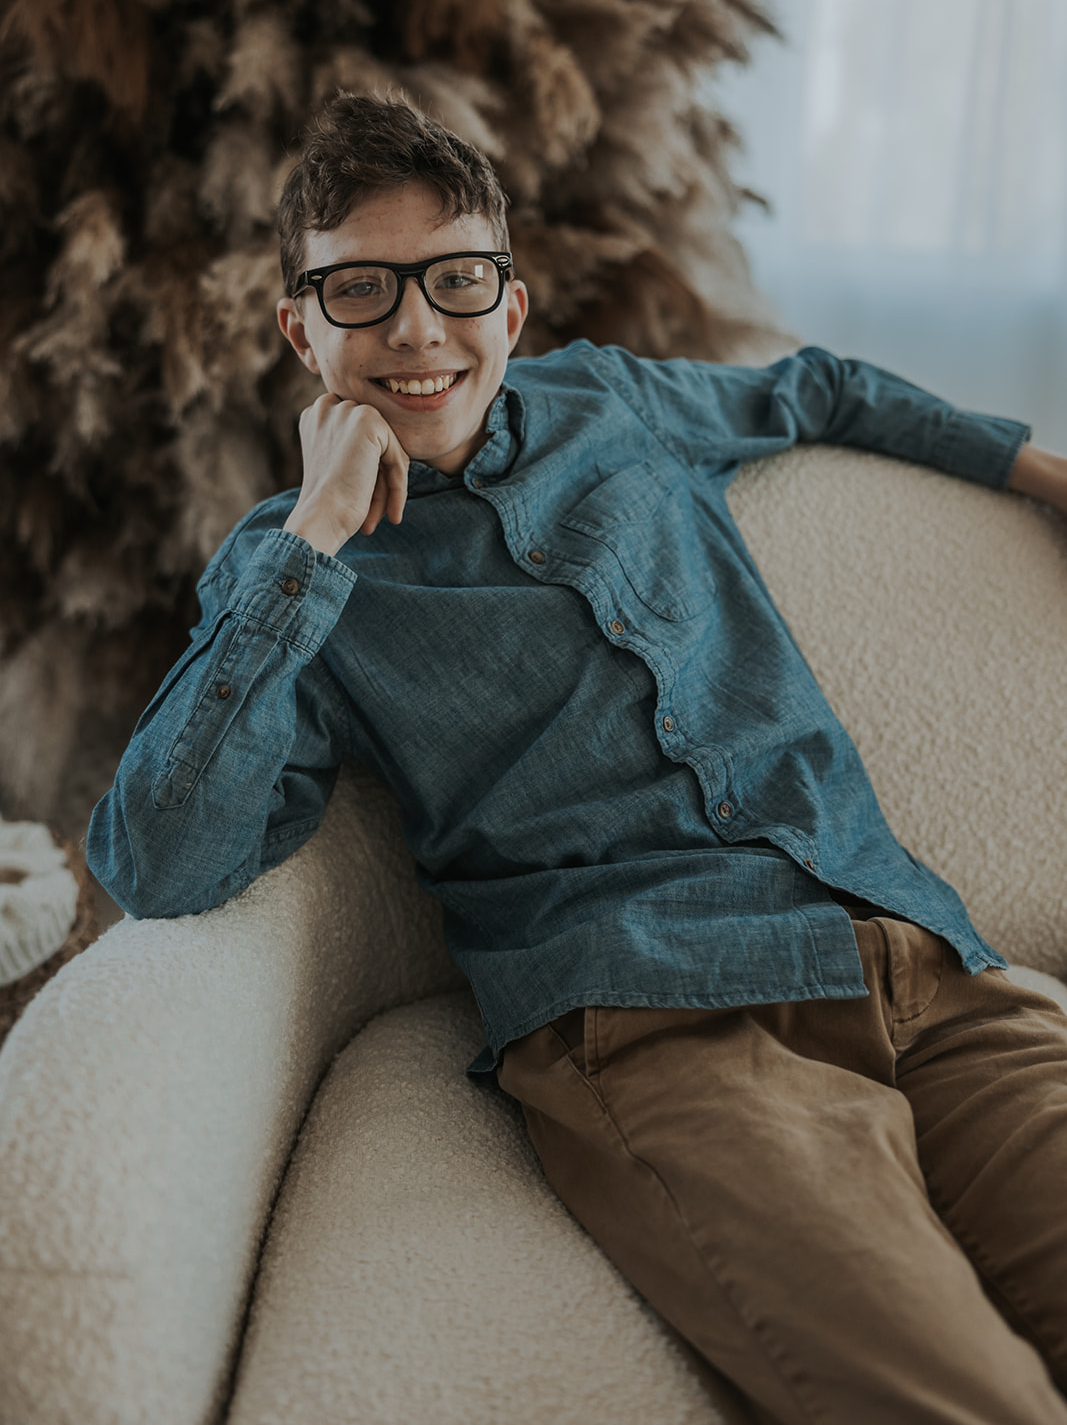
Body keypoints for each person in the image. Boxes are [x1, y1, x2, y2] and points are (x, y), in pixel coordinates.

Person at [88, 92, 1067, 1424]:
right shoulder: (292, 573)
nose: (419, 328)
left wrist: (1038, 471)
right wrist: (312, 540)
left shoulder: (615, 398)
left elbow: (817, 389)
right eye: (361, 290)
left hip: (920, 957)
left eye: (457, 282)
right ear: (298, 325)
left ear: (512, 303)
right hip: (666, 1027)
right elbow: (158, 858)